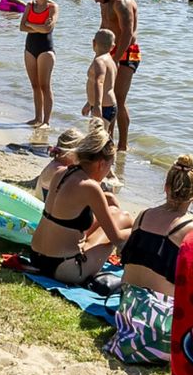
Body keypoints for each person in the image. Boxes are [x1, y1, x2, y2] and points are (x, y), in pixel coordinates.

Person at [104, 155, 193, 364]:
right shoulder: (191, 230)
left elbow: (125, 256)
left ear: (165, 187)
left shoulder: (143, 215)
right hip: (158, 322)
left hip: (128, 306)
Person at [27, 118, 132, 284]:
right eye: (109, 166)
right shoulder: (90, 187)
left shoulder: (62, 173)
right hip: (64, 269)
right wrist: (137, 233)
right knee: (124, 219)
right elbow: (117, 238)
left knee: (115, 213)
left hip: (36, 256)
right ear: (101, 163)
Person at [84, 0, 139, 152]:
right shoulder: (104, 0)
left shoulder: (121, 2)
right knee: (107, 96)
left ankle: (123, 145)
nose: (96, 2)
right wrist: (99, 52)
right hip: (109, 50)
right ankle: (108, 139)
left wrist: (114, 60)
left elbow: (127, 35)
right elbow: (105, 25)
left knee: (118, 98)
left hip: (127, 51)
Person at [20, 0, 58, 128]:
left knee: (45, 86)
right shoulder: (30, 5)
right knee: (35, 85)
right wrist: (38, 26)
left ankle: (46, 121)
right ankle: (37, 118)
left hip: (45, 49)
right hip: (30, 47)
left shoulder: (53, 7)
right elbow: (22, 27)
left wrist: (31, 24)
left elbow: (48, 29)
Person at [84, 28, 118, 133]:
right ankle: (110, 148)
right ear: (113, 47)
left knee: (97, 137)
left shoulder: (100, 61)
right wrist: (89, 103)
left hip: (103, 106)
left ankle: (105, 149)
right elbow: (108, 84)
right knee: (101, 135)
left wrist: (97, 106)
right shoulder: (110, 61)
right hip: (108, 105)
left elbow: (100, 82)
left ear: (93, 43)